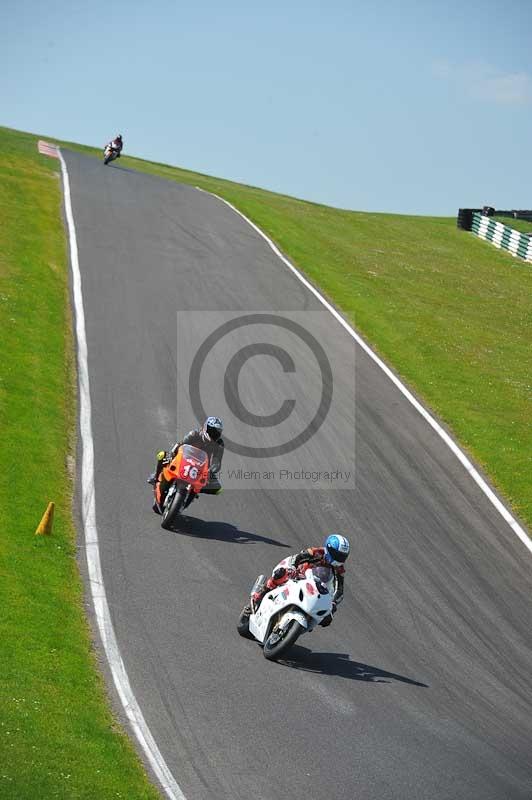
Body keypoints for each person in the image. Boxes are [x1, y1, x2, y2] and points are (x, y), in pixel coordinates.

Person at [244, 534, 350, 627]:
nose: (340, 559)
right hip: (299, 575)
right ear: (329, 549)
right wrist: (293, 569)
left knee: (326, 618)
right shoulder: (316, 552)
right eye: (338, 555)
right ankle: (258, 596)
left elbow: (339, 590)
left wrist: (333, 603)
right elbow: (296, 558)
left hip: (316, 587)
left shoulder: (339, 569)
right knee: (280, 575)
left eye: (342, 556)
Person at [148, 416, 224, 508]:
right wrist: (172, 454)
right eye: (212, 431)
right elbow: (181, 445)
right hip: (185, 459)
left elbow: (217, 461)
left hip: (201, 467)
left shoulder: (219, 444)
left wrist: (212, 469)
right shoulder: (195, 434)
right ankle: (156, 476)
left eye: (217, 433)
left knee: (218, 489)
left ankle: (194, 490)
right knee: (162, 455)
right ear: (205, 428)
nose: (214, 435)